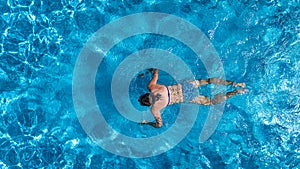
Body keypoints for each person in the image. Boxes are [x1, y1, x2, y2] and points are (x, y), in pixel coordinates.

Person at [138, 69, 246, 128]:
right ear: (147, 94)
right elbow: (156, 72)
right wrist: (148, 71)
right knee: (207, 81)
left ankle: (235, 93)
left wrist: (147, 123)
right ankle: (234, 83)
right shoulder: (151, 88)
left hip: (186, 97)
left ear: (149, 104)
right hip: (185, 86)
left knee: (210, 101)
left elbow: (159, 125)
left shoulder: (154, 109)